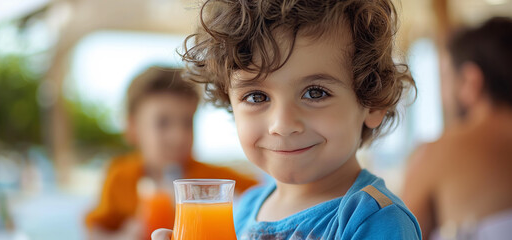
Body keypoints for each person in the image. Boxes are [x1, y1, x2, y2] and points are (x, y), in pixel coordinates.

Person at [152, 0, 421, 239]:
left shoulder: (374, 221)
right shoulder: (243, 211)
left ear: (371, 103)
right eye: (257, 97)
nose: (282, 124)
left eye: (315, 93)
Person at [85, 67, 258, 239]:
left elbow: (265, 195)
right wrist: (125, 235)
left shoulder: (212, 179)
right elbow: (95, 230)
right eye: (163, 123)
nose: (178, 137)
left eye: (186, 122)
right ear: (133, 128)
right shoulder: (120, 176)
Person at [402, 17, 512, 240]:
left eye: (446, 76)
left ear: (472, 80)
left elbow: (398, 233)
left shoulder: (439, 154)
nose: (443, 95)